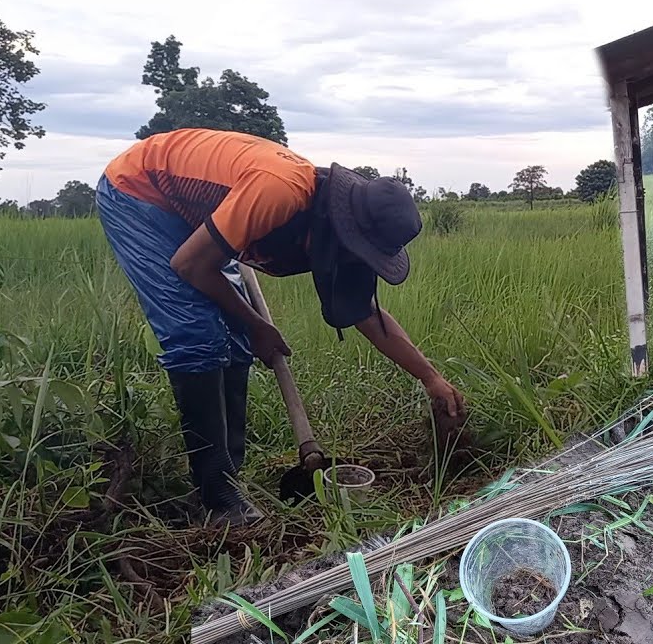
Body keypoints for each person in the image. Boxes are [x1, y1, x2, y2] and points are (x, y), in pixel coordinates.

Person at [95, 128, 467, 527]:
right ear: (346, 229)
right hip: (141, 190)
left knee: (234, 337)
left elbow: (367, 315)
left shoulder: (332, 222)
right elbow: (189, 265)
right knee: (196, 333)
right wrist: (256, 324)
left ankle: (226, 473)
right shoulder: (279, 192)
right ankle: (216, 499)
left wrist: (430, 378)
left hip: (199, 211)